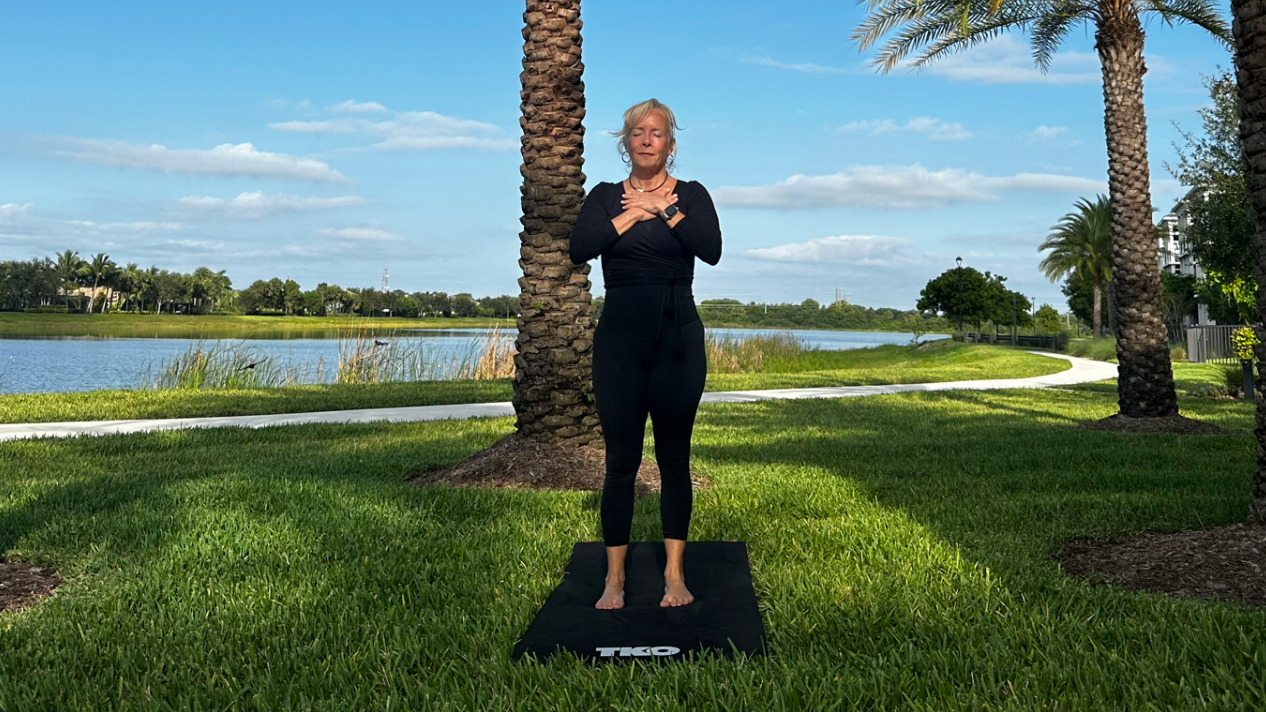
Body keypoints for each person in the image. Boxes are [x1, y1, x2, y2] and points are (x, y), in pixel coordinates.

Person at [568, 99, 723, 610]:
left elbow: (710, 247)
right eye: (638, 132)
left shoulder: (692, 195)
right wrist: (632, 213)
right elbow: (580, 245)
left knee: (674, 459)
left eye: (657, 133)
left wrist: (665, 209)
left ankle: (674, 576)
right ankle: (614, 579)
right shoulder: (605, 197)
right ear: (626, 143)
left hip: (678, 340)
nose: (647, 139)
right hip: (620, 343)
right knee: (621, 463)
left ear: (670, 145)